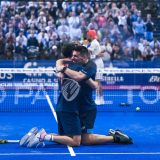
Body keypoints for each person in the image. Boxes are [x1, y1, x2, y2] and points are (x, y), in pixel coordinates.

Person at [20, 45, 133, 147]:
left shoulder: (90, 65)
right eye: (72, 55)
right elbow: (59, 61)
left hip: (86, 107)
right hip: (73, 107)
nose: (72, 58)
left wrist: (64, 70)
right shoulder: (71, 63)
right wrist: (60, 70)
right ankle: (42, 135)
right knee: (70, 138)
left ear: (83, 57)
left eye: (75, 56)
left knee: (84, 140)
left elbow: (86, 81)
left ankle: (115, 137)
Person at [86, 29, 105, 105]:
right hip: (95, 63)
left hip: (98, 64)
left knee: (97, 82)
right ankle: (101, 98)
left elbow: (88, 55)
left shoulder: (94, 43)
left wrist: (83, 47)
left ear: (91, 36)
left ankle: (98, 99)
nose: (87, 36)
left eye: (88, 35)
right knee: (98, 82)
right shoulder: (93, 42)